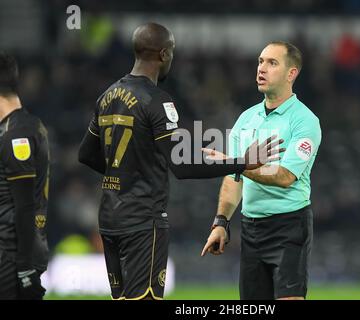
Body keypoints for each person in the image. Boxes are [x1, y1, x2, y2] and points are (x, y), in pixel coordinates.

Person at [78, 22, 284, 300]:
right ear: (164, 54)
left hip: (109, 218)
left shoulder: (107, 96)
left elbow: (86, 155)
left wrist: (127, 172)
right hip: (143, 221)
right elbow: (182, 165)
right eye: (172, 53)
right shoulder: (157, 101)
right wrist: (242, 162)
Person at [201, 41, 322, 300]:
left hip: (289, 226)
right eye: (260, 61)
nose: (262, 68)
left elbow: (285, 177)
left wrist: (237, 163)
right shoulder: (246, 119)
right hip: (251, 228)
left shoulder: (305, 121)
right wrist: (221, 222)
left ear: (292, 74)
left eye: (272, 63)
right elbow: (234, 178)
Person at [0, 52, 50, 300]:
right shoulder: (28, 125)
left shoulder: (16, 134)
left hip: (11, 257)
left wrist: (25, 269)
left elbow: (25, 205)